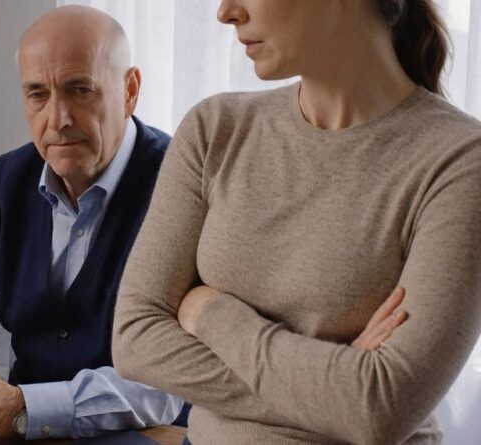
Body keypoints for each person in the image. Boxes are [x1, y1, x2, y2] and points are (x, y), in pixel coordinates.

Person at [112, 0, 481, 444]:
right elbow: (135, 338)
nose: (226, 12)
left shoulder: (461, 162)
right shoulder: (215, 129)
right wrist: (335, 394)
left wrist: (211, 314)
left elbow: (380, 408)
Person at [0, 6, 186, 444]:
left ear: (130, 90)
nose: (58, 119)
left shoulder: (183, 186)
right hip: (19, 433)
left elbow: (169, 382)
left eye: (80, 90)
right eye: (38, 94)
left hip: (155, 434)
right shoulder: (1, 184)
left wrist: (20, 409)